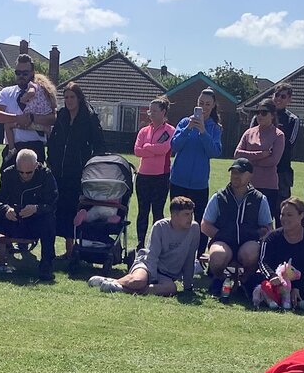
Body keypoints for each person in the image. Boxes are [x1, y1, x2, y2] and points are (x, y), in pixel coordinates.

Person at [87, 195, 200, 295]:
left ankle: (120, 288)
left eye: (191, 214)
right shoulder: (160, 227)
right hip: (148, 265)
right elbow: (152, 256)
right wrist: (153, 279)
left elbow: (190, 258)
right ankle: (111, 282)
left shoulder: (194, 229)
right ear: (174, 215)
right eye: (186, 214)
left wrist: (188, 286)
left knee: (171, 288)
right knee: (138, 281)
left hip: (167, 275)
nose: (190, 218)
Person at [0, 148, 58, 281]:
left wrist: (36, 208)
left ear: (36, 165)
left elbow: (53, 203)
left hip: (34, 223)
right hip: (12, 221)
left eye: (29, 172)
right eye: (21, 172)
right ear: (16, 166)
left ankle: (46, 265)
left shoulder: (46, 175)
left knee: (49, 219)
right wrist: (5, 209)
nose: (24, 175)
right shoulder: (8, 173)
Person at [48, 81, 104, 255]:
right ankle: (55, 250)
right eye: (66, 97)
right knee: (58, 209)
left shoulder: (89, 117)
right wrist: (51, 160)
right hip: (58, 171)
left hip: (78, 173)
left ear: (79, 98)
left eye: (72, 97)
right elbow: (54, 140)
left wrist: (90, 165)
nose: (69, 100)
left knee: (74, 209)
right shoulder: (62, 115)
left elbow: (99, 145)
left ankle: (72, 250)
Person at [202, 158, 273, 292]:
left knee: (250, 254)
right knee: (217, 256)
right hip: (224, 241)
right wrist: (221, 235)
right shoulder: (219, 196)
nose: (235, 176)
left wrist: (257, 234)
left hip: (248, 242)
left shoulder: (259, 199)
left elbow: (268, 228)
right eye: (233, 172)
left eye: (240, 173)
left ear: (250, 175)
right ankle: (220, 280)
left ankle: (246, 281)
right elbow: (205, 225)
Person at [249, 197, 304, 311]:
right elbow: (263, 262)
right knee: (252, 281)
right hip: (275, 281)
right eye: (282, 215)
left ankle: (292, 300)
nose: (284, 218)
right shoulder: (272, 237)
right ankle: (280, 300)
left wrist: (298, 287)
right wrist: (272, 276)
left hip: (301, 283)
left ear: (301, 215)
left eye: (289, 215)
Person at [168, 88, 223, 221]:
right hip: (178, 181)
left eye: (208, 104)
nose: (204, 107)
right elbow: (174, 146)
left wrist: (203, 132)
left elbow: (214, 152)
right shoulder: (184, 122)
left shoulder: (215, 128)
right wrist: (188, 129)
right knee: (177, 220)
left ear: (213, 105)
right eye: (201, 103)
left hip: (199, 184)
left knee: (198, 222)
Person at [0, 54, 54, 167]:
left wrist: (32, 118)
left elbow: (53, 118)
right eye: (18, 73)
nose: (21, 76)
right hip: (13, 148)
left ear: (32, 73)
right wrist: (17, 118)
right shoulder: (6, 92)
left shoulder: (42, 91)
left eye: (25, 73)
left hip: (36, 147)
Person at [132, 97, 175, 251]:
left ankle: (157, 244)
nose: (151, 114)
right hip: (143, 176)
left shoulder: (170, 130)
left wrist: (148, 147)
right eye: (150, 111)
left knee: (157, 211)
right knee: (142, 211)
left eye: (154, 111)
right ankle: (140, 244)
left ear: (163, 112)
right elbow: (137, 150)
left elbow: (165, 149)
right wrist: (153, 149)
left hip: (161, 177)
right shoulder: (144, 131)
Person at [236, 101, 286, 218]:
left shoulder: (278, 135)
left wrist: (249, 161)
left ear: (272, 115)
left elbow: (273, 161)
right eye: (257, 112)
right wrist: (262, 154)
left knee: (264, 222)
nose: (259, 115)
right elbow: (237, 154)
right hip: (247, 185)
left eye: (264, 112)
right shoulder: (249, 133)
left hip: (268, 186)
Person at [265, 83, 301, 200]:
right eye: (277, 95)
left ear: (289, 99)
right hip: (261, 169)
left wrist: (271, 150)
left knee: (281, 206)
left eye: (283, 96)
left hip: (282, 171)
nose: (279, 99)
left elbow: (290, 144)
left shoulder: (292, 120)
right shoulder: (261, 116)